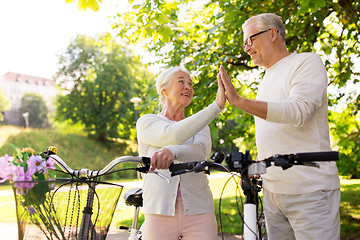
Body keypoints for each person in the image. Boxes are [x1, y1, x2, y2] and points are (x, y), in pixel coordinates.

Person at [218, 13, 340, 240]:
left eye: (249, 40)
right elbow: (278, 132)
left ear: (272, 33)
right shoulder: (265, 79)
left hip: (310, 192)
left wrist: (240, 102)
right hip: (274, 193)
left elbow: (299, 111)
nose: (246, 48)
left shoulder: (306, 62)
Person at [136, 66, 226, 240]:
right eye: (181, 82)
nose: (188, 87)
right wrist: (216, 106)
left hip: (200, 212)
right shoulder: (147, 121)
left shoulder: (200, 125)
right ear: (164, 89)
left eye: (190, 84)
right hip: (159, 214)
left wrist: (172, 151)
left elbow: (200, 152)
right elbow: (173, 133)